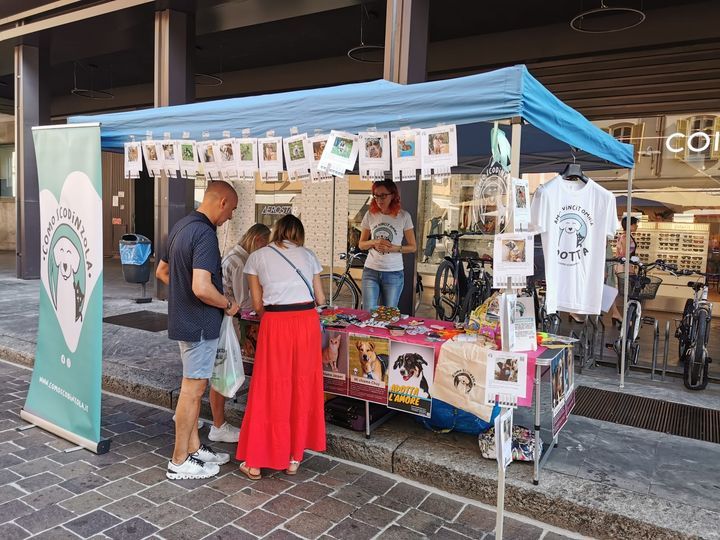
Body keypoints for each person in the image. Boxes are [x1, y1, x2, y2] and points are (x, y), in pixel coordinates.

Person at [156, 180, 239, 480]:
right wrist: (227, 302)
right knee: (192, 391)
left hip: (184, 321)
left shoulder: (180, 226)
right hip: (200, 324)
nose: (231, 217)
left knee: (193, 387)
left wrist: (184, 294)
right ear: (222, 202)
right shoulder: (204, 234)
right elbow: (202, 286)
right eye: (232, 210)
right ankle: (179, 460)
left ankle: (192, 448)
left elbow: (162, 271)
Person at [236, 215, 326, 480]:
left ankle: (256, 461)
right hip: (307, 323)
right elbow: (320, 298)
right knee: (301, 386)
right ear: (299, 234)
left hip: (276, 323)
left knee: (270, 387)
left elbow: (257, 304)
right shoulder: (309, 255)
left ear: (276, 231)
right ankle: (294, 457)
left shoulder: (258, 257)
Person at [204, 223, 270, 444]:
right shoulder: (242, 262)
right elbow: (244, 302)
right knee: (222, 374)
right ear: (258, 241)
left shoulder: (234, 254)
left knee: (216, 373)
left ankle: (204, 419)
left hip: (219, 318)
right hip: (227, 321)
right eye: (265, 244)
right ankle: (218, 425)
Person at [358, 180, 417, 312]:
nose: (379, 199)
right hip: (371, 271)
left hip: (393, 272)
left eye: (383, 195)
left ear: (393, 195)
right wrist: (374, 242)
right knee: (368, 312)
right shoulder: (370, 215)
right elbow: (361, 244)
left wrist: (395, 248)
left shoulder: (403, 216)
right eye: (376, 196)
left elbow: (413, 247)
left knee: (388, 314)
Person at [609, 216, 639, 326]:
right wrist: (632, 263)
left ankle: (616, 313)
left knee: (621, 291)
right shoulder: (627, 237)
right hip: (625, 266)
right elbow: (625, 254)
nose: (637, 226)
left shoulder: (623, 236)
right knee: (627, 291)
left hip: (621, 265)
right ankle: (623, 316)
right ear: (630, 225)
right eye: (635, 224)